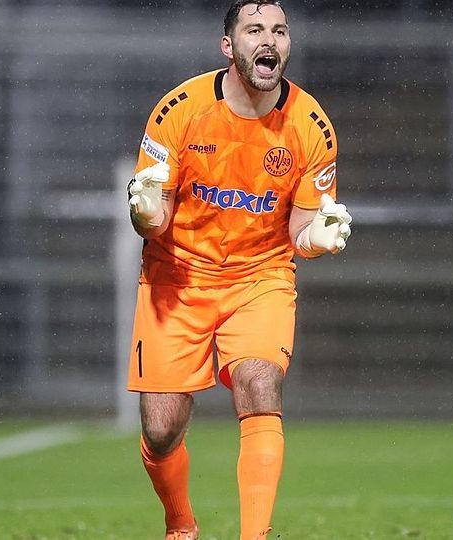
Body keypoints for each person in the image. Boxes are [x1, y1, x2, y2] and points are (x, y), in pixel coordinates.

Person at [125, 2, 352, 538]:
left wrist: (316, 240)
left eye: (278, 30)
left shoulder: (311, 125)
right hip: (175, 277)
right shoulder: (177, 110)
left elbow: (301, 230)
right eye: (254, 30)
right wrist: (146, 213)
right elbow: (152, 215)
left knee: (259, 384)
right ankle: (180, 521)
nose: (268, 39)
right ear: (230, 46)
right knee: (161, 431)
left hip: (260, 277)